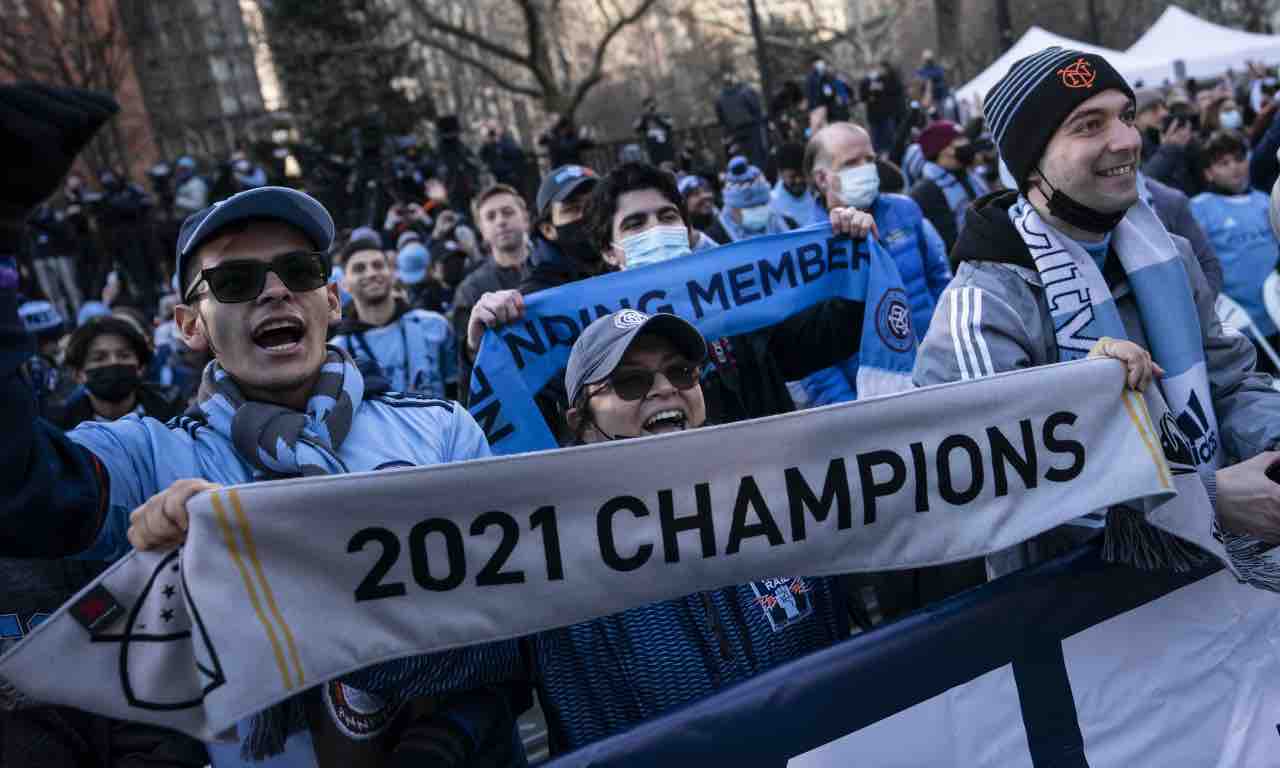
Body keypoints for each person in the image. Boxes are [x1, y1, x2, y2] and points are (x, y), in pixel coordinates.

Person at [0, 167, 521, 766]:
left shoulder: (440, 430)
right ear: (190, 325)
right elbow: (22, 484)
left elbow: (517, 624)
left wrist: (452, 732)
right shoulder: (151, 458)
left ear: (330, 297)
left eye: (299, 271)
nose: (275, 292)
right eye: (236, 280)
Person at [914, 46, 1280, 572]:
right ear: (1031, 160)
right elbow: (995, 494)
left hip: (1221, 587)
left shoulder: (1167, 253)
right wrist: (1206, 497)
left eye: (1127, 116)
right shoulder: (983, 308)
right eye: (1089, 124)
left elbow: (1230, 383)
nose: (1127, 139)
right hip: (1085, 626)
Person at [467, 161, 880, 431]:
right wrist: (487, 345)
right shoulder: (588, 336)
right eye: (634, 224)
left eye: (666, 217)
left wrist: (855, 257)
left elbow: (825, 338)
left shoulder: (743, 304)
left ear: (685, 231)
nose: (654, 229)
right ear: (611, 252)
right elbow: (534, 413)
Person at [806, 122, 949, 349]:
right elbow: (811, 348)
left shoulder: (905, 209)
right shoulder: (809, 246)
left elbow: (939, 280)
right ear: (822, 179)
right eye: (851, 163)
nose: (865, 168)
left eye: (870, 160)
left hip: (938, 360)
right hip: (874, 379)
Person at [1191, 130, 1280, 372]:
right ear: (1209, 173)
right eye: (1223, 163)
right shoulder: (1200, 208)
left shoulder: (1265, 200)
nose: (1235, 168)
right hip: (1240, 326)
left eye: (1239, 159)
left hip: (1276, 313)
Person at [332, 237, 457, 399]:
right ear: (344, 284)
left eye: (378, 265)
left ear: (392, 273)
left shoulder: (435, 326)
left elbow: (457, 390)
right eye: (359, 269)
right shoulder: (337, 353)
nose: (371, 273)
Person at [454, 183, 534, 398]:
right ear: (482, 230)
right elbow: (467, 374)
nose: (501, 221)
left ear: (525, 217)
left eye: (508, 212)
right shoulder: (470, 291)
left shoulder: (557, 265)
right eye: (491, 216)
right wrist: (472, 347)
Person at [50, 315, 182, 428]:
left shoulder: (173, 413)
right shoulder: (63, 430)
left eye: (124, 355)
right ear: (78, 374)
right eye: (99, 358)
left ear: (140, 368)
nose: (113, 362)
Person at [520, 166, 604, 295]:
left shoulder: (631, 259)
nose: (587, 214)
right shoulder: (538, 294)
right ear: (548, 230)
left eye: (594, 204)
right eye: (573, 208)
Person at [909, 120, 988, 254]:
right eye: (960, 139)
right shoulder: (926, 191)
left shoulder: (968, 175)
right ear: (945, 150)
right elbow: (947, 245)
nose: (967, 143)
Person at [25, 200, 82, 321]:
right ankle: (62, 321)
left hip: (60, 253)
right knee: (50, 293)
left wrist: (40, 221)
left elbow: (61, 226)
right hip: (39, 255)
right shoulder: (32, 209)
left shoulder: (57, 204)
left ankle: (81, 319)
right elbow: (28, 224)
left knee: (71, 288)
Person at [718, 156, 792, 241]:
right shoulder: (719, 238)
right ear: (731, 209)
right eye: (747, 209)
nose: (756, 212)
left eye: (761, 205)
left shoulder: (789, 223)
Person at [716, 73, 770, 171]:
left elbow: (721, 119)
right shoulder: (745, 92)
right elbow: (756, 108)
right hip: (752, 128)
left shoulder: (720, 98)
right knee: (758, 156)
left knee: (743, 158)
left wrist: (728, 132)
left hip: (735, 132)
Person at [860, 60, 906, 154]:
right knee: (876, 139)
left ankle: (890, 154)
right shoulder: (865, 82)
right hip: (873, 115)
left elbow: (893, 91)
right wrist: (870, 94)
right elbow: (863, 96)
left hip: (886, 114)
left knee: (889, 137)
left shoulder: (886, 79)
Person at [770, 142, 817, 228]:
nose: (798, 180)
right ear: (780, 174)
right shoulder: (772, 202)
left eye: (802, 174)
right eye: (793, 176)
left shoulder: (818, 192)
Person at [679, 174, 730, 245]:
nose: (705, 196)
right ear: (683, 204)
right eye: (695, 194)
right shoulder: (684, 236)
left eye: (707, 190)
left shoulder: (726, 220)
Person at [806, 55, 852, 131]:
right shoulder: (819, 79)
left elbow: (848, 92)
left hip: (841, 110)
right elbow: (826, 94)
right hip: (830, 110)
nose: (830, 68)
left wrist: (846, 96)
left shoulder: (837, 78)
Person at [634, 97, 676, 167]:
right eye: (648, 106)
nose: (651, 108)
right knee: (656, 164)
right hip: (652, 145)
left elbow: (671, 123)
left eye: (653, 106)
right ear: (644, 107)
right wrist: (644, 116)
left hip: (665, 143)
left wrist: (658, 117)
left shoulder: (663, 115)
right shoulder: (643, 117)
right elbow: (636, 127)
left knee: (669, 163)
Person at [1133, 89, 1168, 163]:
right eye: (1153, 109)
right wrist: (1167, 149)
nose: (1164, 113)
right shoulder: (1130, 150)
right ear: (1135, 118)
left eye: (1164, 107)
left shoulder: (1160, 136)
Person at [916, 50, 952, 120]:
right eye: (926, 60)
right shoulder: (921, 71)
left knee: (941, 115)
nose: (928, 61)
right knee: (929, 118)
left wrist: (929, 79)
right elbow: (919, 81)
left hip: (939, 97)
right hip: (927, 100)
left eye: (929, 59)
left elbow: (941, 76)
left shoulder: (937, 68)